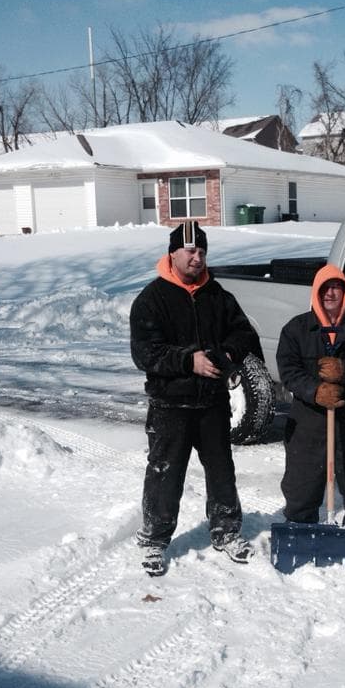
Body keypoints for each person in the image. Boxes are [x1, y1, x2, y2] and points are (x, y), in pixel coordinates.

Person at [130, 220, 262, 577]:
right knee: (165, 473)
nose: (197, 258)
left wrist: (225, 357)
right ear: (172, 253)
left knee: (221, 472)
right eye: (190, 251)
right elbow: (146, 353)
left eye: (202, 251)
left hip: (212, 404)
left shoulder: (218, 296)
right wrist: (189, 361)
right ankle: (155, 538)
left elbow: (244, 334)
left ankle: (226, 529)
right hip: (170, 405)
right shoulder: (152, 299)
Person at [276, 263, 345, 526]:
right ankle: (300, 528)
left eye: (336, 287)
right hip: (308, 418)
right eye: (325, 288)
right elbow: (288, 370)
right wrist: (315, 391)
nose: (330, 294)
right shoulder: (297, 329)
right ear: (316, 292)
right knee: (302, 481)